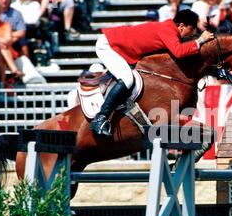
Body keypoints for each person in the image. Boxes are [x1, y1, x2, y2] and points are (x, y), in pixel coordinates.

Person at [89, 9, 215, 137]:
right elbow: (179, 51)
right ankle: (100, 118)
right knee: (127, 79)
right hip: (109, 45)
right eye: (192, 29)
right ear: (181, 26)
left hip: (120, 47)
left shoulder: (169, 29)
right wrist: (200, 41)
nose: (193, 33)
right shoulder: (168, 29)